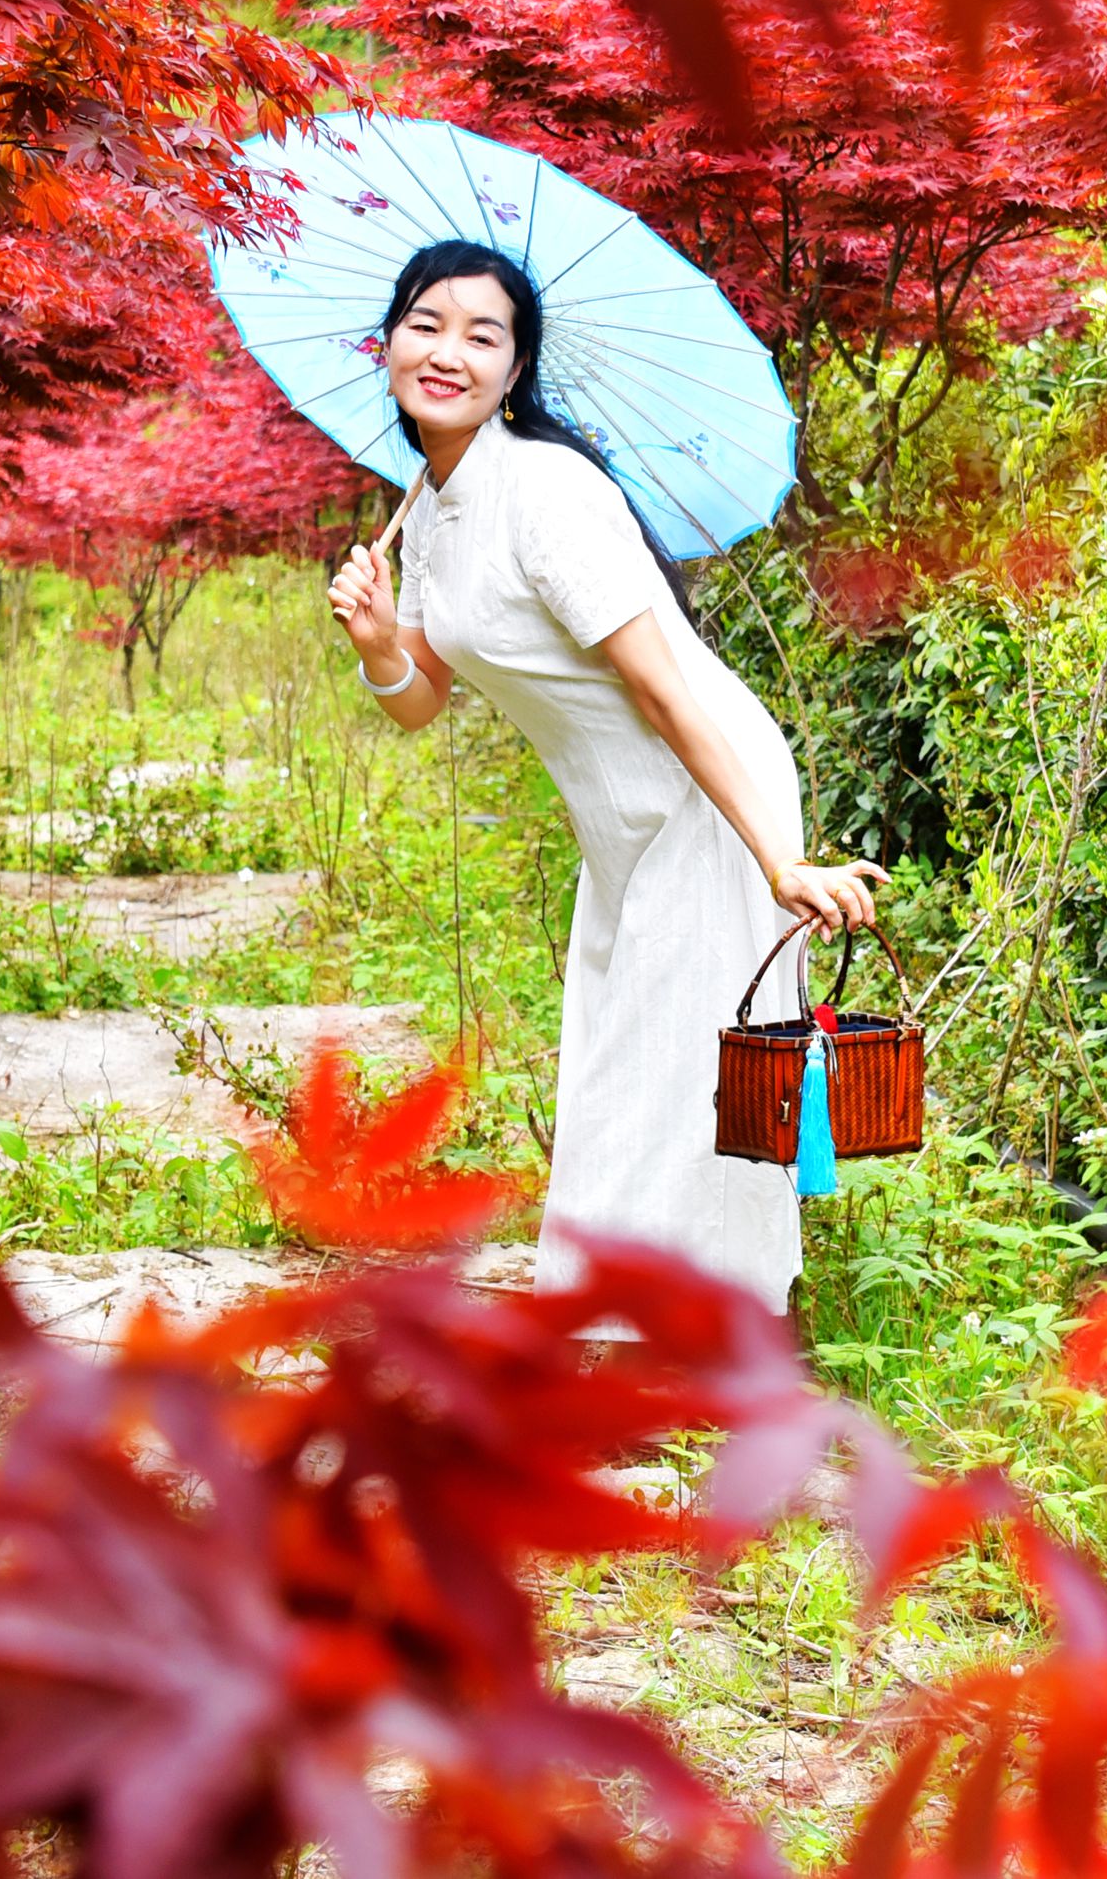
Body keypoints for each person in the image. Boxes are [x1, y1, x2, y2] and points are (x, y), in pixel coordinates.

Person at [326, 239, 882, 1313]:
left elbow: (668, 690)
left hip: (703, 795)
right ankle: (636, 1323)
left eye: (482, 337)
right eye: (426, 324)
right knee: (615, 1071)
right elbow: (420, 698)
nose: (448, 352)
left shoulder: (546, 493)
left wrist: (779, 859)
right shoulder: (432, 502)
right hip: (621, 824)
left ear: (515, 371)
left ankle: (680, 1340)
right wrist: (377, 638)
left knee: (680, 1075)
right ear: (386, 342)